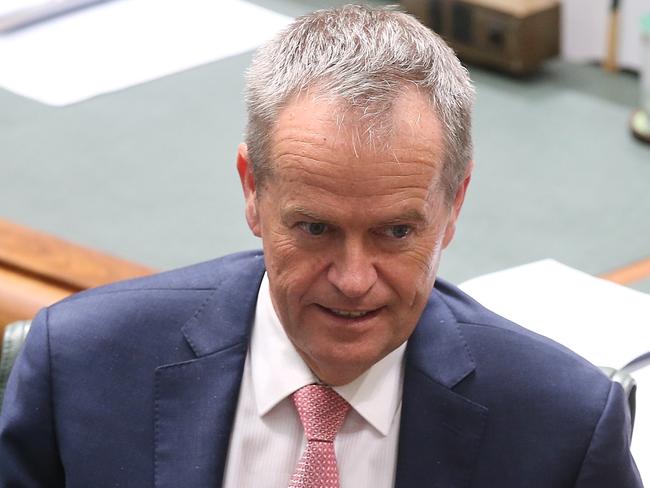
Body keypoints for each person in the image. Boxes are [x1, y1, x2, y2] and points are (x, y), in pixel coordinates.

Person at [0, 5, 642, 488]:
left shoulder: (562, 432)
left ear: (453, 206)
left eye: (396, 232)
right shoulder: (82, 368)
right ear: (253, 191)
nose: (355, 279)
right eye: (315, 229)